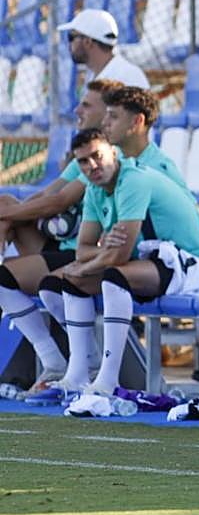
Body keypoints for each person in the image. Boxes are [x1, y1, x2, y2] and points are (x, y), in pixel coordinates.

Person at [56, 129, 199, 399]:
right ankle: (76, 371)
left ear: (113, 153)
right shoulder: (95, 189)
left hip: (196, 265)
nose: (91, 166)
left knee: (112, 277)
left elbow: (116, 256)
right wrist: (101, 251)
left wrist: (88, 264)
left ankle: (108, 380)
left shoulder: (133, 180)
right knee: (59, 283)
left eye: (97, 156)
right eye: (83, 161)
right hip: (153, 261)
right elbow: (83, 249)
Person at [0, 79, 121, 398]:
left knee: (28, 277)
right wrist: (7, 216)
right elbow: (47, 193)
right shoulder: (86, 155)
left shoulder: (104, 160)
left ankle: (75, 361)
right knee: (5, 204)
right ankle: (55, 361)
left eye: (87, 104)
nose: (77, 110)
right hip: (71, 246)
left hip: (92, 254)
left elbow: (57, 202)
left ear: (109, 114)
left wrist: (7, 219)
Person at [100, 86, 188, 189]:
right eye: (106, 115)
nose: (104, 122)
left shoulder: (160, 171)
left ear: (137, 121)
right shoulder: (110, 161)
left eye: (113, 116)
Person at [57, 8, 149, 88]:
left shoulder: (125, 77)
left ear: (88, 42)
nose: (69, 44)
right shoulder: (96, 73)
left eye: (71, 37)